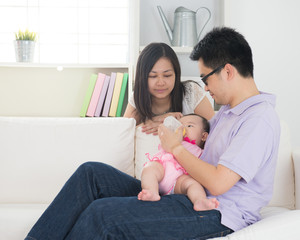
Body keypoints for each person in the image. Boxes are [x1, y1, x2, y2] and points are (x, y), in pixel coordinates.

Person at [25, 27, 280, 240]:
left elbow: (218, 183)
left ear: (227, 71)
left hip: (217, 212)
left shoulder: (258, 119)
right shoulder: (227, 111)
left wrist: (176, 148)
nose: (205, 87)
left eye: (206, 79)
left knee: (102, 214)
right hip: (184, 192)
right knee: (91, 174)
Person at [123, 42, 215, 135]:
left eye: (167, 75)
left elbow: (215, 130)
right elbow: (124, 134)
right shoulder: (137, 97)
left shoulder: (191, 92)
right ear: (142, 78)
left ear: (176, 74)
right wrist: (156, 120)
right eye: (153, 76)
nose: (161, 83)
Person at [138, 114, 219, 212]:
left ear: (203, 136)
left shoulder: (201, 152)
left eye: (189, 126)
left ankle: (200, 201)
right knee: (150, 168)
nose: (181, 128)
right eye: (179, 125)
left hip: (179, 181)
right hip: (161, 170)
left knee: (193, 184)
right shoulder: (171, 141)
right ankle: (151, 191)